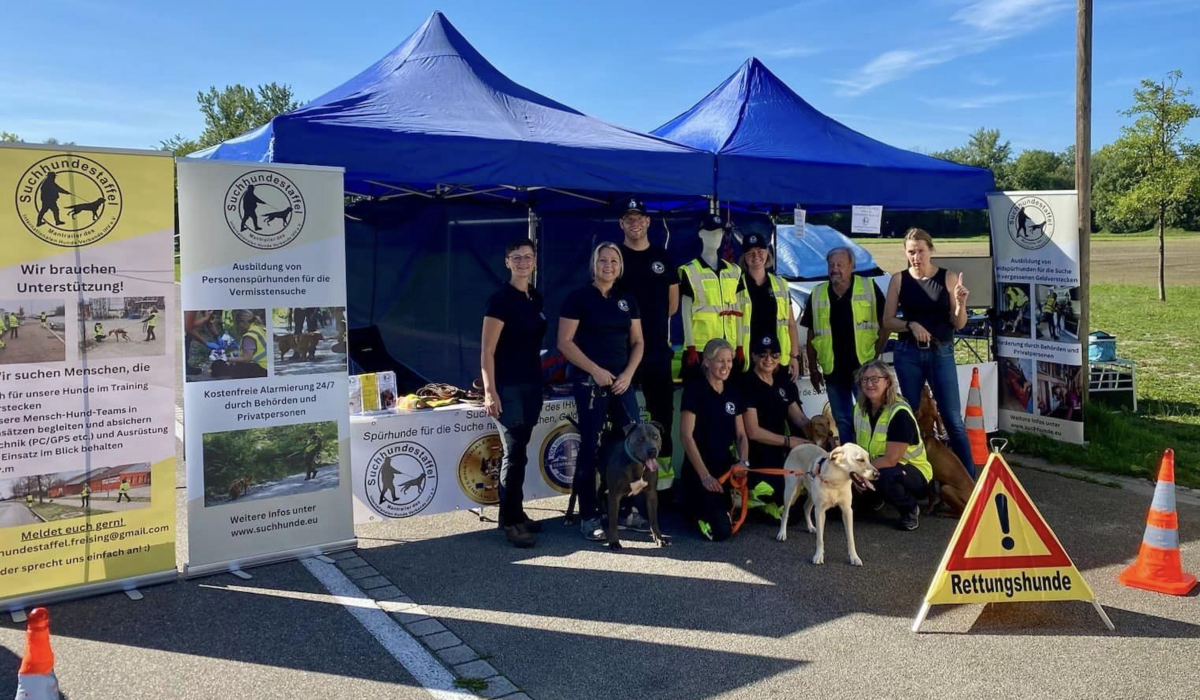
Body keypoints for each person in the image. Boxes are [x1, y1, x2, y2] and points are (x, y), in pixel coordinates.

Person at [558, 242, 645, 542]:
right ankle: (589, 515)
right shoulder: (577, 298)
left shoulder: (627, 299)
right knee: (591, 448)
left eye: (614, 261)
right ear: (593, 265)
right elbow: (565, 342)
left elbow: (638, 343)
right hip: (590, 383)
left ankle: (627, 508)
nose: (609, 265)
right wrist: (595, 370)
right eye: (603, 260)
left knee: (633, 444)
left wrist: (628, 374)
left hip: (622, 381)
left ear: (621, 266)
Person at [882, 228, 976, 477]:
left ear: (930, 250)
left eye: (920, 251)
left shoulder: (948, 278)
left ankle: (970, 481)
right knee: (911, 418)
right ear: (905, 252)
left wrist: (961, 303)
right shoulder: (899, 280)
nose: (916, 257)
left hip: (940, 352)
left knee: (953, 420)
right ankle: (919, 477)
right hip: (908, 353)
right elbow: (888, 321)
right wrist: (910, 324)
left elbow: (958, 323)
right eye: (911, 252)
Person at [481, 238, 547, 548]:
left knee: (521, 452)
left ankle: (516, 513)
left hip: (533, 384)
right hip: (507, 387)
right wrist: (490, 391)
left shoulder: (536, 298)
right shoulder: (500, 301)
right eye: (516, 257)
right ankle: (508, 521)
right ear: (507, 262)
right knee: (513, 452)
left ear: (535, 261)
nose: (523, 262)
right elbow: (487, 350)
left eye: (528, 257)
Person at [616, 199, 680, 490]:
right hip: (623, 352)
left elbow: (672, 305)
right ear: (622, 224)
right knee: (624, 416)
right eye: (629, 219)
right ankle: (626, 478)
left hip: (656, 349)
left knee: (662, 413)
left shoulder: (662, 257)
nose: (635, 223)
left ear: (648, 222)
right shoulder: (615, 258)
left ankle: (661, 478)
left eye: (639, 218)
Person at [802, 247, 887, 445]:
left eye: (840, 264)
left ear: (852, 266)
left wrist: (876, 355)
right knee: (843, 421)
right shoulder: (817, 294)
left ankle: (873, 460)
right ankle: (851, 463)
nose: (835, 269)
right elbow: (811, 334)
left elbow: (886, 324)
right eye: (831, 265)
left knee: (870, 418)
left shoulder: (869, 288)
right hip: (833, 371)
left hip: (865, 370)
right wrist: (813, 369)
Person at [680, 338, 749, 541]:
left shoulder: (733, 392)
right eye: (720, 361)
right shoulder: (694, 391)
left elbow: (742, 435)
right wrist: (705, 476)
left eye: (729, 361)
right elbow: (685, 436)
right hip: (701, 472)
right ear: (707, 362)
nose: (726, 366)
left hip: (725, 470)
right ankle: (696, 513)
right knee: (721, 531)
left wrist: (743, 462)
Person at [852, 360, 932, 531]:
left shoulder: (899, 413)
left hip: (911, 472)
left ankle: (909, 509)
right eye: (864, 380)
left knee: (886, 475)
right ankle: (876, 497)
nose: (869, 384)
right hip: (873, 467)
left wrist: (859, 471)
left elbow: (890, 460)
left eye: (875, 379)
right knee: (845, 508)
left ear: (887, 382)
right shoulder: (859, 409)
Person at [740, 335, 812, 519]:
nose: (768, 359)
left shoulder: (782, 382)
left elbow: (799, 419)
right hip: (758, 452)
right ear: (754, 356)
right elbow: (753, 432)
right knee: (790, 509)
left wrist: (820, 436)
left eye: (774, 355)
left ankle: (770, 501)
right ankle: (756, 499)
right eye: (763, 354)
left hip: (781, 450)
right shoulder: (747, 383)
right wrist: (789, 442)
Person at [679, 215, 743, 381]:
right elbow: (685, 312)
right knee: (698, 399)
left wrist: (740, 345)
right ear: (701, 234)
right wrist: (691, 346)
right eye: (710, 232)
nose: (715, 237)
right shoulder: (690, 270)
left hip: (728, 348)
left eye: (719, 233)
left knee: (729, 398)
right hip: (701, 348)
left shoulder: (734, 271)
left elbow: (738, 310)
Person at [739, 231, 801, 379]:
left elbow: (791, 324)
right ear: (744, 258)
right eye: (750, 253)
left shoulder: (780, 284)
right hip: (748, 356)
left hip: (777, 357)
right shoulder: (736, 283)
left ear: (767, 253)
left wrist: (794, 356)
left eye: (760, 251)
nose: (756, 256)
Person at [226, 310, 269, 378]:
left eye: (238, 324)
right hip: (267, 366)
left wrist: (227, 359)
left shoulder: (249, 336)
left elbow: (246, 359)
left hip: (260, 368)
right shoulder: (261, 329)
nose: (239, 327)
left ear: (242, 322)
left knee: (236, 369)